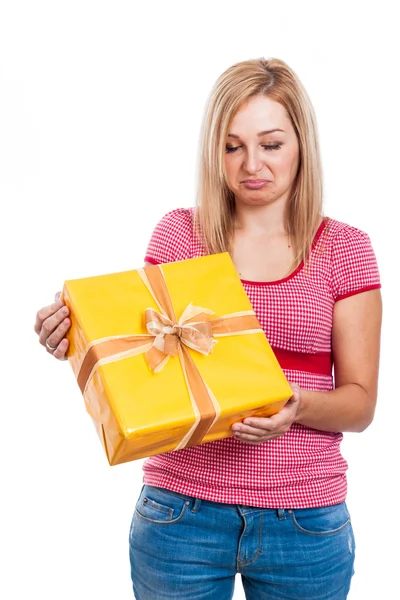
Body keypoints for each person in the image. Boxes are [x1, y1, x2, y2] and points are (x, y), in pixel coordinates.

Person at [34, 58, 382, 599]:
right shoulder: (180, 235)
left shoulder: (345, 249)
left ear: (301, 145)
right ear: (213, 151)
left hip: (305, 519)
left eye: (271, 144)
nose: (251, 165)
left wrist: (295, 407)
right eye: (232, 145)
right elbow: (140, 355)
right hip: (180, 515)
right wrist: (76, 336)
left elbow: (360, 404)